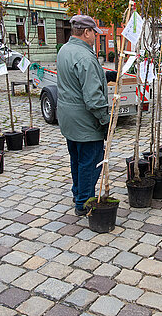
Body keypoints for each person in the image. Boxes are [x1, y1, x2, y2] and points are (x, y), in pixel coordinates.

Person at [57, 15, 115, 216]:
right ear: (86, 32)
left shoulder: (65, 50)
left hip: (68, 120)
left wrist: (105, 76)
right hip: (85, 123)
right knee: (90, 163)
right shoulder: (85, 57)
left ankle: (78, 193)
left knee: (77, 160)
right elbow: (93, 98)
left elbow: (75, 81)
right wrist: (105, 120)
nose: (95, 38)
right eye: (94, 33)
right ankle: (83, 203)